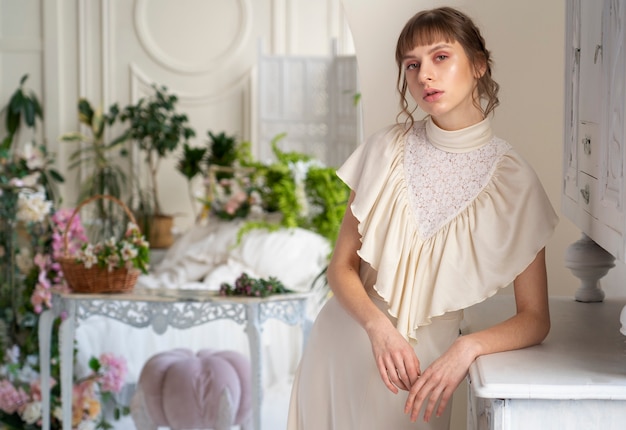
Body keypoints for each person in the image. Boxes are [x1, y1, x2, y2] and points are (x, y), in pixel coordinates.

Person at [287, 6, 558, 430]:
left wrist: (467, 348)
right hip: (340, 349)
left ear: (479, 64)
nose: (424, 75)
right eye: (412, 65)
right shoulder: (384, 151)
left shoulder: (513, 180)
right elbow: (342, 268)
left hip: (422, 377)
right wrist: (379, 328)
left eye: (440, 57)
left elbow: (535, 318)